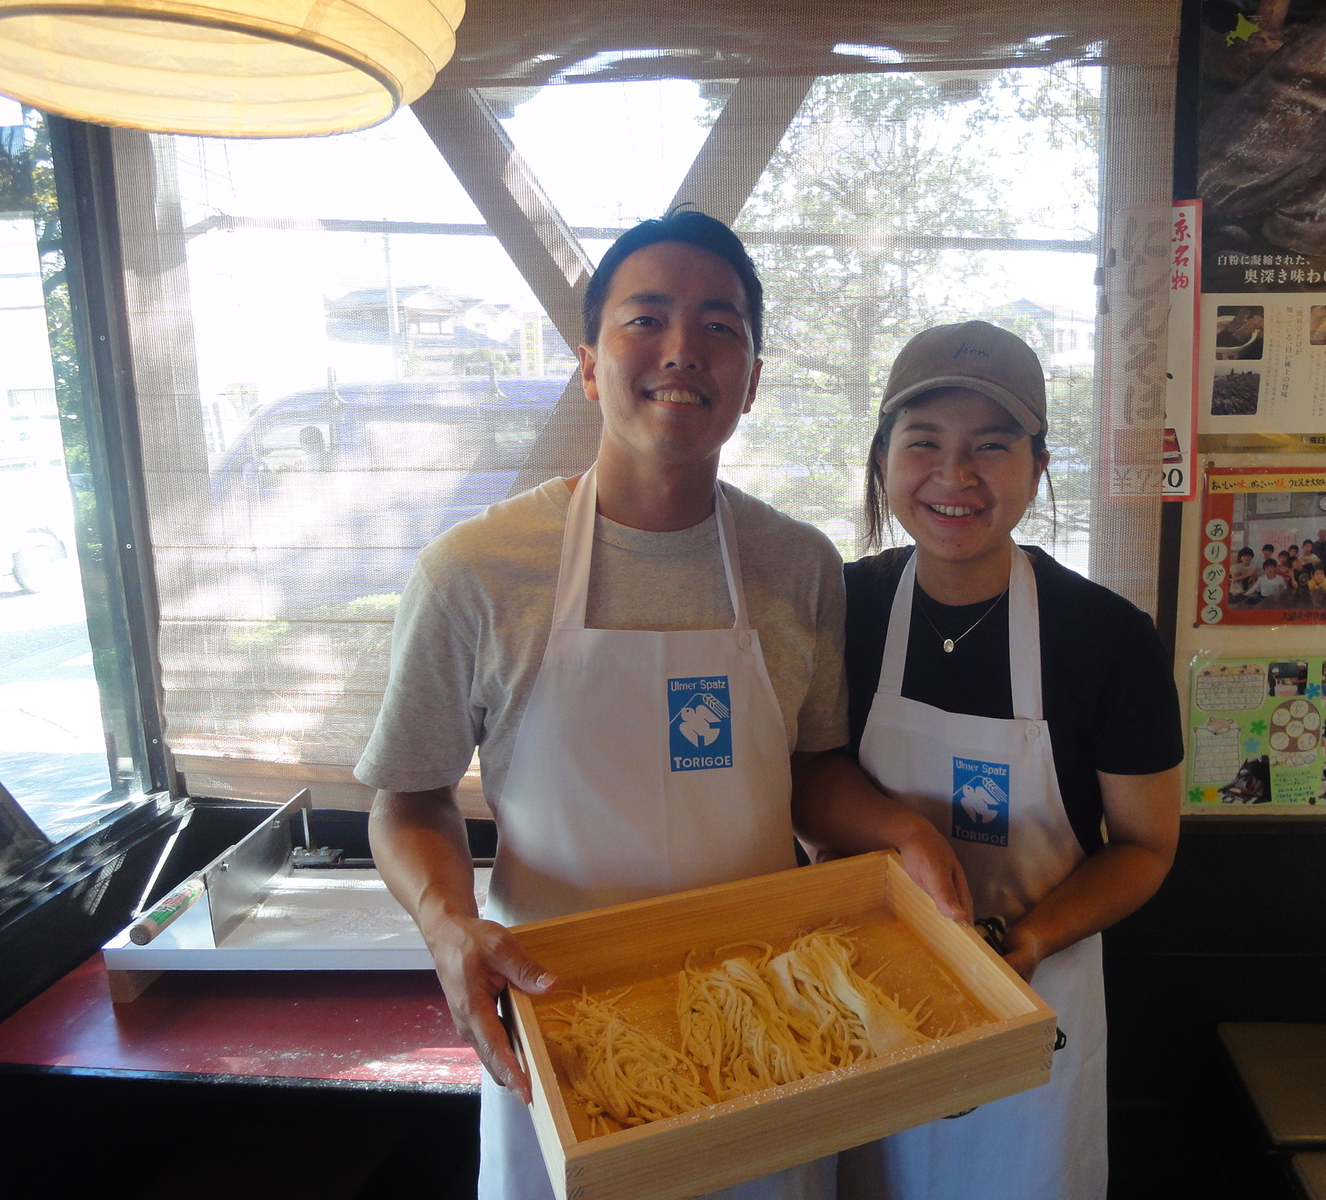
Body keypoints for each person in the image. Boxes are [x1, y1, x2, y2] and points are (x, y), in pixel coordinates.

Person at [355, 211, 969, 1200]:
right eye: (648, 318)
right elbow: (408, 795)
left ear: (753, 379)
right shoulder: (473, 571)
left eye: (720, 325)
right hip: (561, 1033)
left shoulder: (798, 563)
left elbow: (808, 772)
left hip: (770, 1020)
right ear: (590, 364)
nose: (684, 349)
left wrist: (898, 831)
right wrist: (446, 921)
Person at [836, 321, 1182, 1200]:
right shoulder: (846, 608)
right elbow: (806, 775)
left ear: (1036, 464)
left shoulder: (1108, 639)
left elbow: (1146, 847)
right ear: (883, 458)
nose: (955, 477)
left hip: (1037, 991)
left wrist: (1022, 944)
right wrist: (906, 831)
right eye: (925, 444)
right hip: (863, 991)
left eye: (991, 446)